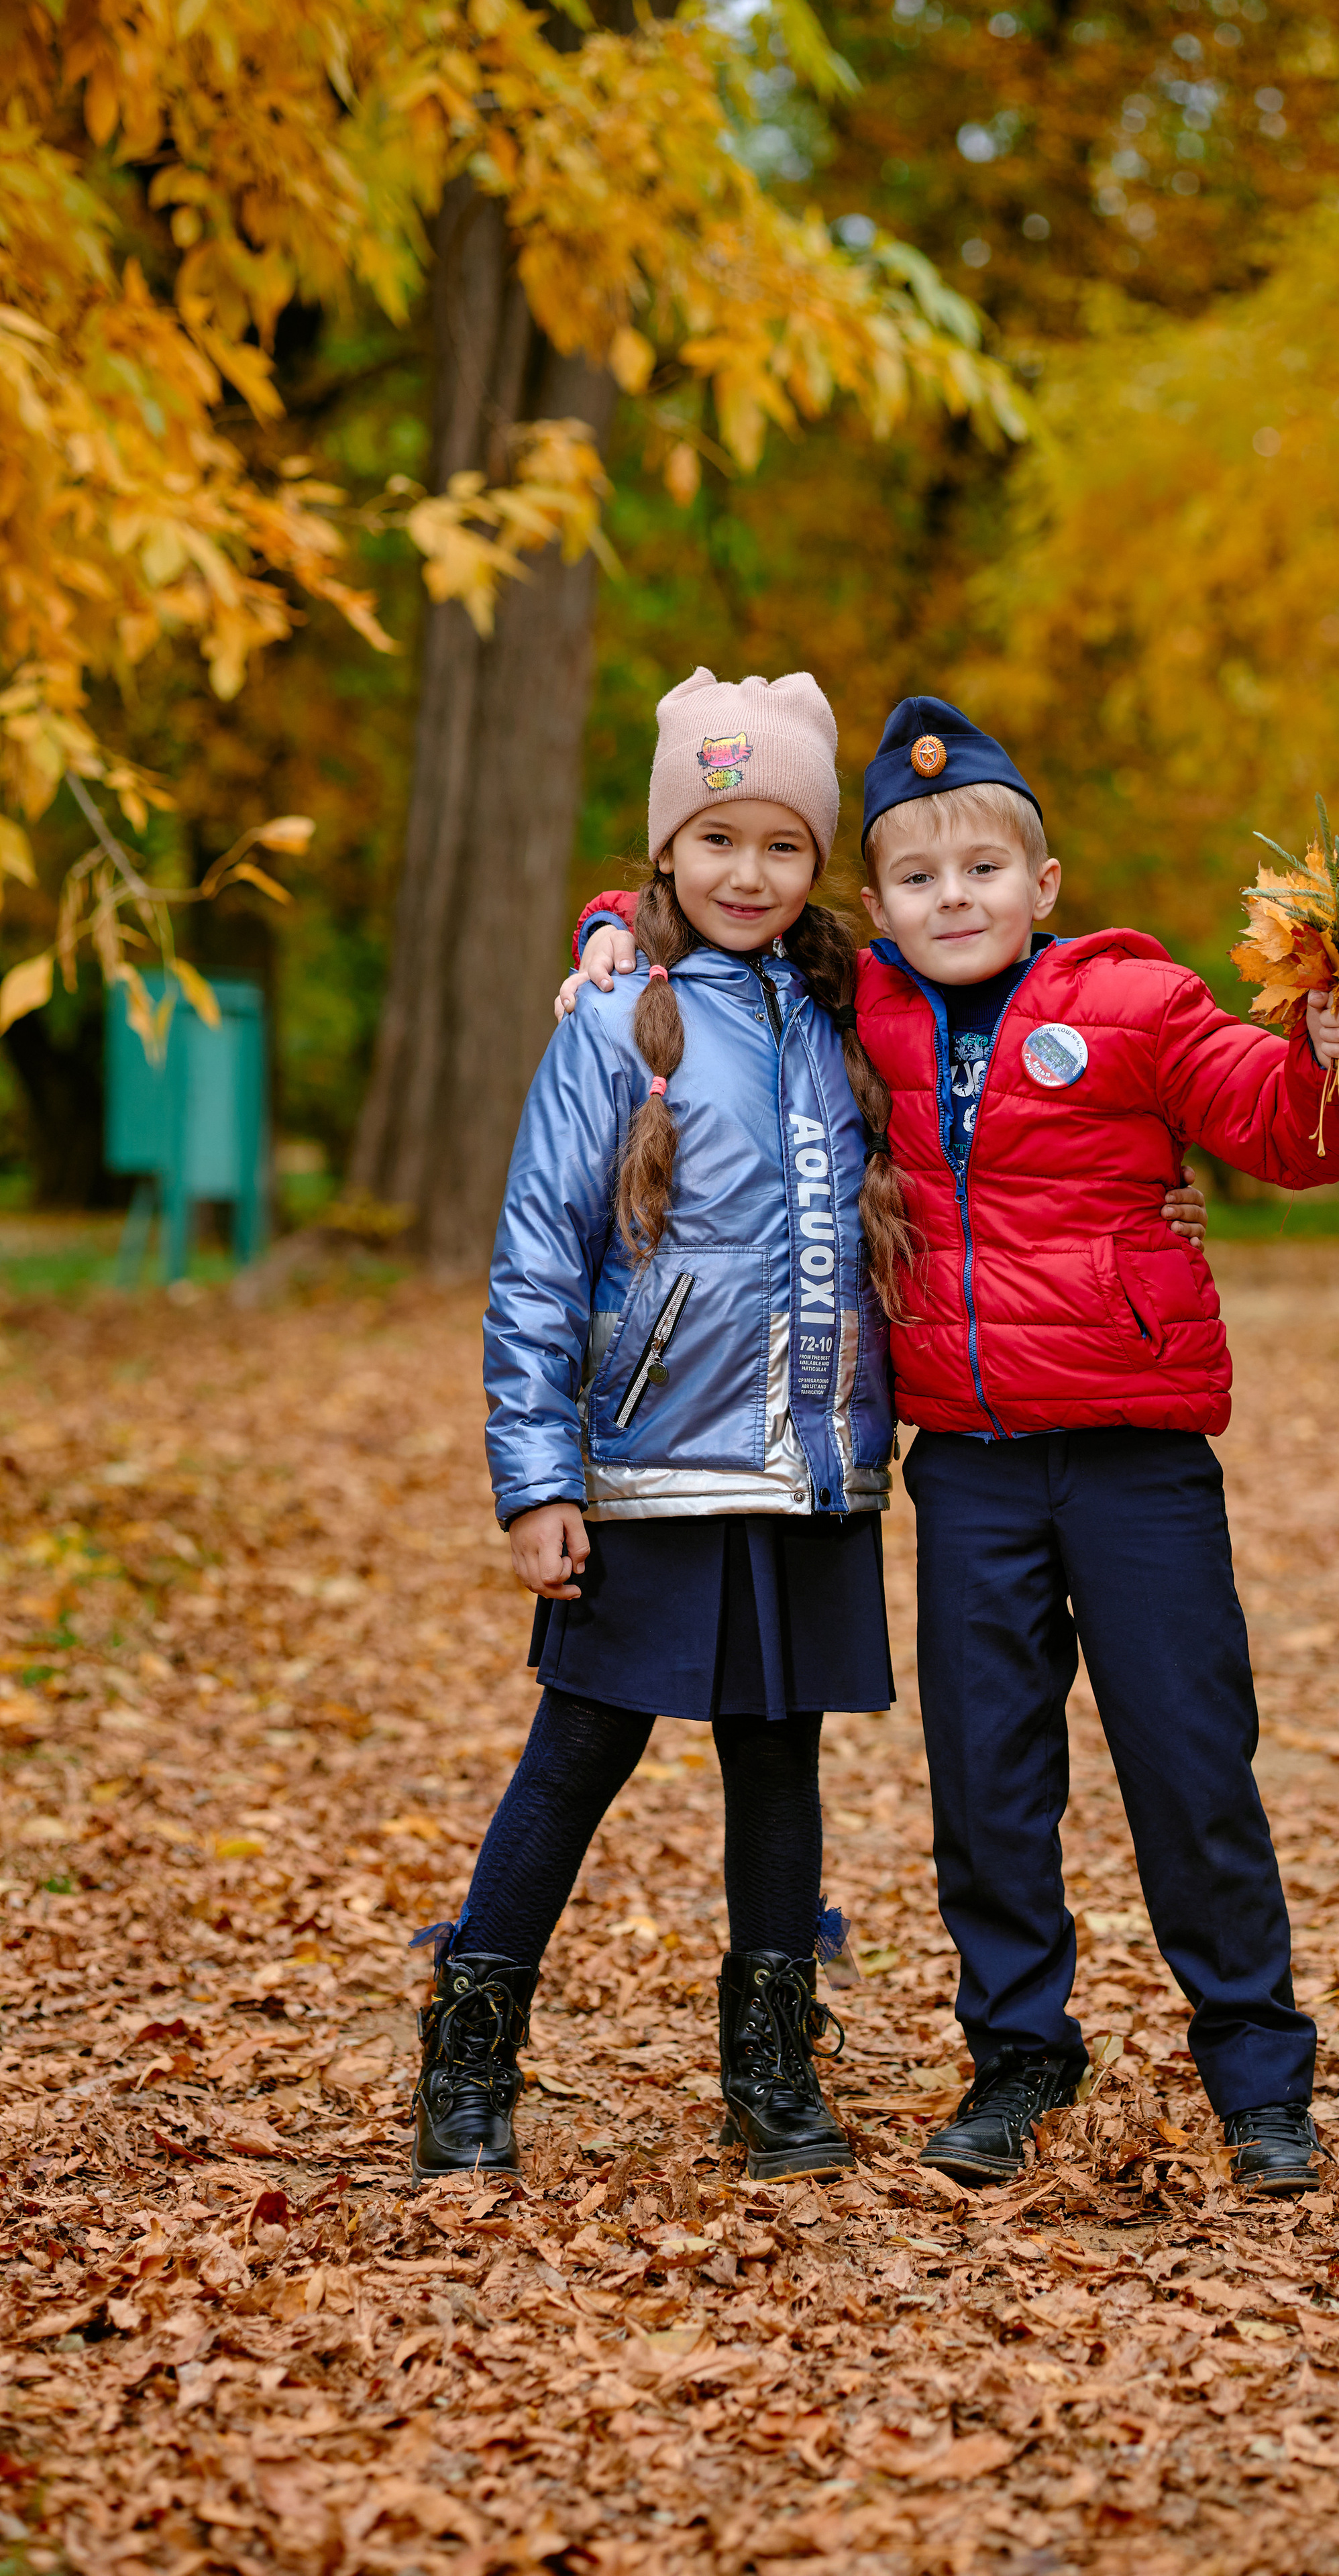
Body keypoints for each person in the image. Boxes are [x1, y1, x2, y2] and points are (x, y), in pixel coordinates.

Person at [563, 695, 1339, 2198]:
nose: (952, 900)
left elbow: (1289, 1128)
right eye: (916, 879)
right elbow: (716, 922)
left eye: (982, 873)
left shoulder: (1137, 1005)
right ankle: (1017, 2052)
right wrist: (609, 934)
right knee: (987, 1777)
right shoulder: (854, 1008)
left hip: (1134, 1459)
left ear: (1044, 887)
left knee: (1188, 1762)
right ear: (873, 904)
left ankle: (1256, 2072)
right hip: (963, 1465)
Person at [413, 667, 910, 2185]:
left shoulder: (846, 1018)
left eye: (779, 845)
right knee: (582, 1748)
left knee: (780, 1761)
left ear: (813, 862)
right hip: (645, 1464)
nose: (746, 874)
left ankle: (767, 2060)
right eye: (716, 841)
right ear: (665, 856)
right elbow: (538, 1257)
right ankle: (469, 2039)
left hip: (806, 1468)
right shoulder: (618, 1022)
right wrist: (535, 1477)